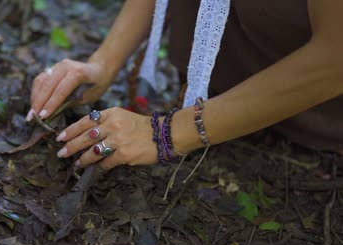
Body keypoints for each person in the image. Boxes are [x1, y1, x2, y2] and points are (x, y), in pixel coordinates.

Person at [26, 0, 343, 171]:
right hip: (228, 83)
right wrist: (104, 61)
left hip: (318, 122)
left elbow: (335, 59)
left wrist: (168, 133)